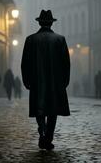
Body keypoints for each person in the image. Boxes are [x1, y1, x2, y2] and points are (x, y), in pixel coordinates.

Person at [21, 10, 70, 150]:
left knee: (39, 109)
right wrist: (65, 81)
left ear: (40, 22)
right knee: (53, 111)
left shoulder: (30, 40)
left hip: (37, 81)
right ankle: (48, 137)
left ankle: (42, 131)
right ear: (51, 23)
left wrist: (26, 80)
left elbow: (25, 63)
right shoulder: (60, 39)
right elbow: (66, 64)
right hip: (55, 82)